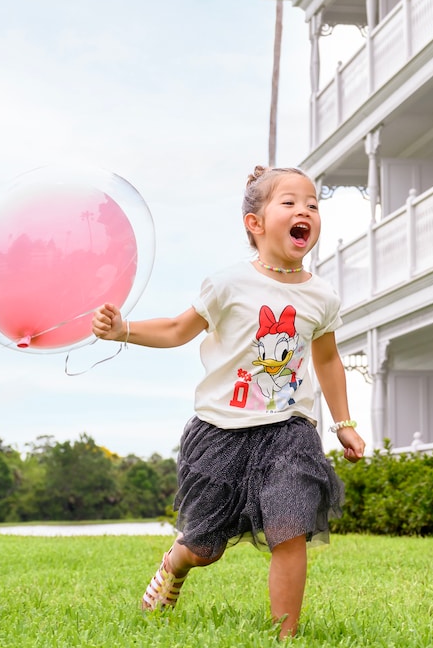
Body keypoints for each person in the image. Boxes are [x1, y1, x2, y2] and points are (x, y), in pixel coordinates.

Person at [92, 166, 366, 638]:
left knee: (290, 525)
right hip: (221, 431)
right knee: (205, 548)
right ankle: (176, 563)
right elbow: (178, 330)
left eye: (313, 204)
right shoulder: (228, 284)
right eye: (289, 202)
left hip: (289, 430)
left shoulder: (321, 296)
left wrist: (344, 422)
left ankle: (286, 635)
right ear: (255, 224)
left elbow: (328, 359)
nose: (305, 211)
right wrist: (124, 330)